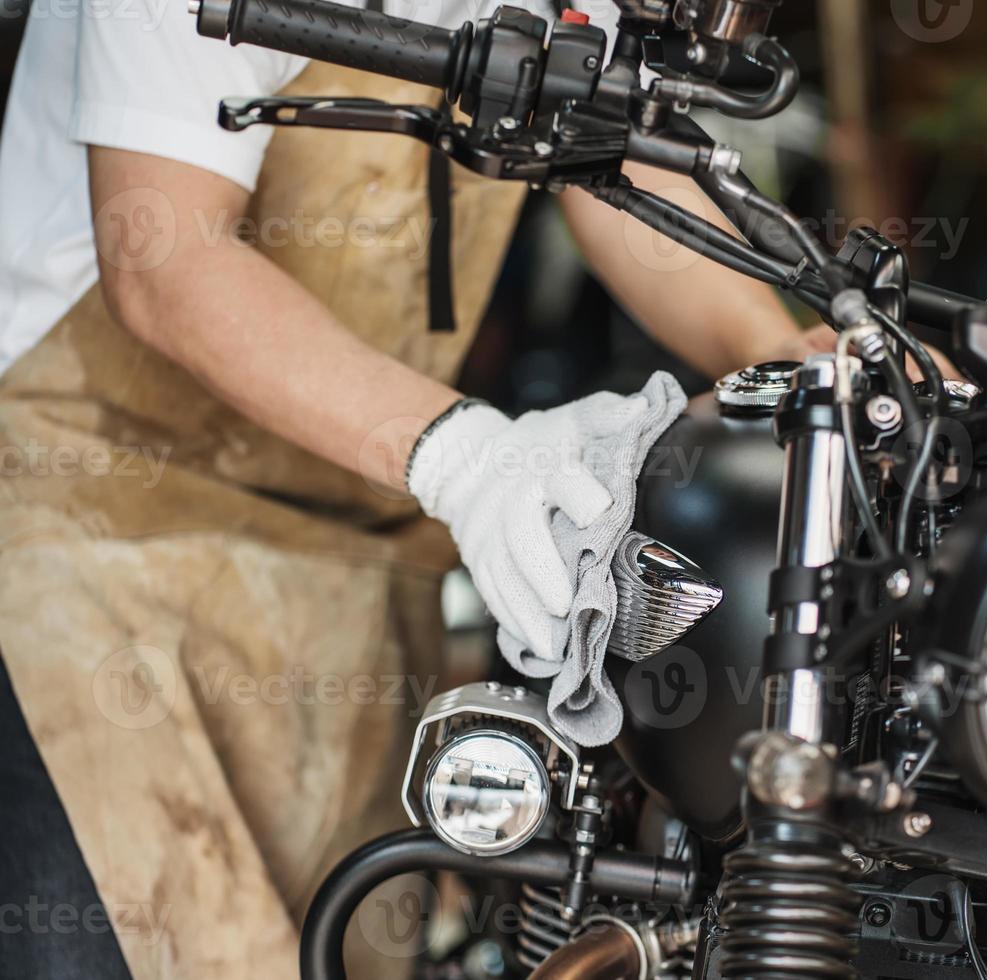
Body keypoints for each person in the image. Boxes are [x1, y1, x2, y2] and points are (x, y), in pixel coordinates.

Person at [0, 0, 828, 976]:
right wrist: (464, 455)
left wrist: (782, 354)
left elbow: (617, 164)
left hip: (357, 554)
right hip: (93, 537)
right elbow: (167, 258)